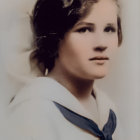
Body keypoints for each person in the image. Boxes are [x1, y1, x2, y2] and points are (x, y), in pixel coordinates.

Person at [8, 0, 123, 139]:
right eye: (84, 29)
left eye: (109, 29)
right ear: (54, 39)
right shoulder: (32, 111)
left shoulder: (108, 110)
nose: (102, 43)